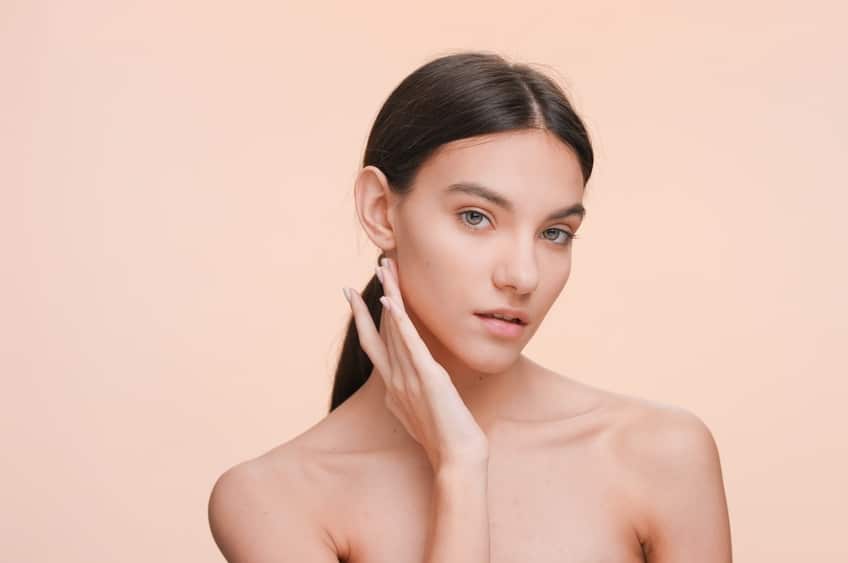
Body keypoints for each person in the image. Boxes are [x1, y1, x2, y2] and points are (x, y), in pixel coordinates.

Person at [207, 50, 732, 563]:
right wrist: (459, 467)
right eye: (476, 217)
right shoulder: (273, 500)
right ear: (380, 212)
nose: (523, 275)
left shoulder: (659, 454)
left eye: (555, 233)